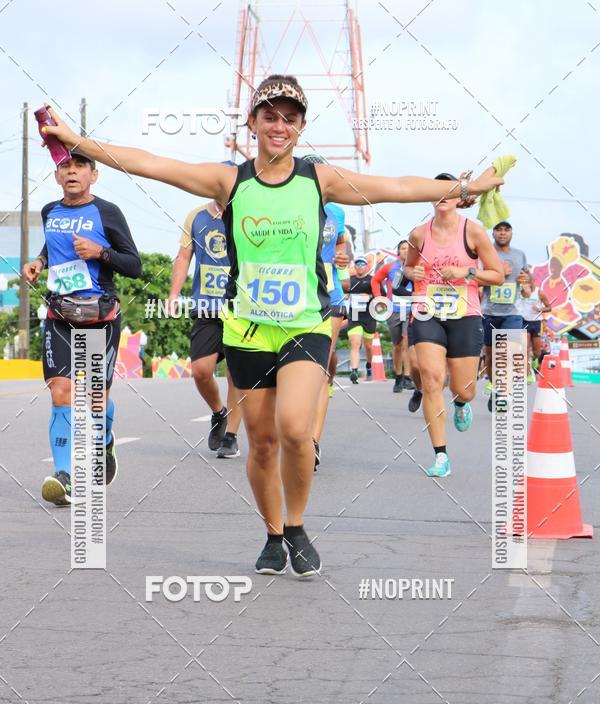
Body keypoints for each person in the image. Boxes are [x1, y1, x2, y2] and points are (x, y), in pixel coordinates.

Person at [41, 78, 502, 570]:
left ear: (301, 126)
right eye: (270, 115)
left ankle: (298, 524)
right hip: (246, 330)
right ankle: (272, 532)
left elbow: (396, 187)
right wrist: (76, 141)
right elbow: (151, 164)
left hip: (304, 325)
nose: (280, 125)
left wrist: (464, 187)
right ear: (253, 123)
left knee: (295, 430)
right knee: (260, 443)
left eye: (290, 117)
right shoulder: (229, 181)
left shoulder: (318, 180)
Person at [22, 150, 141, 505]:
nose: (71, 172)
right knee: (61, 391)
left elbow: (133, 264)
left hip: (98, 317)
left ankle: (103, 440)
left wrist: (99, 252)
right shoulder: (49, 212)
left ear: (94, 174)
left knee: (94, 401)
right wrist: (40, 262)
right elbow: (52, 245)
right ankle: (66, 476)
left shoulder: (107, 213)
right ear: (57, 176)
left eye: (79, 167)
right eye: (64, 167)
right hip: (60, 315)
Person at [404, 173, 504, 477]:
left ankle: (462, 403)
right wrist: (413, 274)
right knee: (432, 380)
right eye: (438, 190)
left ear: (459, 198)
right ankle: (440, 456)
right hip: (427, 312)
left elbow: (497, 274)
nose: (442, 195)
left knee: (464, 389)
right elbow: (407, 267)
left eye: (450, 190)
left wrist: (466, 272)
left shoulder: (473, 232)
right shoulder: (419, 234)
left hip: (465, 314)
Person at [167, 180, 243, 458]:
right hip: (206, 306)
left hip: (241, 308)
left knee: (237, 372)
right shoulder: (197, 217)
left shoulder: (246, 213)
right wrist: (174, 294)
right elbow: (184, 256)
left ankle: (231, 436)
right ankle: (218, 412)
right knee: (200, 370)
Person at [303, 154, 351, 471]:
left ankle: (312, 443)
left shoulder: (336, 211)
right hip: (291, 300)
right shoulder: (283, 208)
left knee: (319, 370)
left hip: (329, 297)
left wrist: (343, 256)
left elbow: (342, 244)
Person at [480, 221, 532, 411]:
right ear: (493, 233)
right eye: (499, 230)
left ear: (511, 233)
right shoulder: (485, 253)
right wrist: (499, 273)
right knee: (491, 357)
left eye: (506, 230)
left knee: (508, 351)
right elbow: (476, 278)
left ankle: (503, 392)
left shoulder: (520, 255)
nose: (503, 233)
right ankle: (495, 388)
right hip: (489, 312)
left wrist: (526, 284)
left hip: (513, 312)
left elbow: (527, 285)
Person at [371, 240, 413, 393]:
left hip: (410, 309)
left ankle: (408, 378)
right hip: (393, 309)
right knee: (398, 345)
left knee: (407, 341)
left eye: (408, 249)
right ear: (398, 252)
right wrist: (379, 299)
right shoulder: (390, 267)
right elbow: (375, 280)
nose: (405, 251)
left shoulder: (415, 268)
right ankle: (398, 376)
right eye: (402, 248)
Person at [346, 257, 377, 383]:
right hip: (354, 316)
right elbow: (344, 292)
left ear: (366, 266)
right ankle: (354, 371)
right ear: (354, 266)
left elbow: (382, 296)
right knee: (355, 343)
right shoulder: (350, 281)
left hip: (369, 317)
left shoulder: (372, 280)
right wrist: (345, 294)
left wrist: (370, 296)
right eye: (357, 264)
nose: (359, 266)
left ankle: (369, 366)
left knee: (369, 346)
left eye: (362, 264)